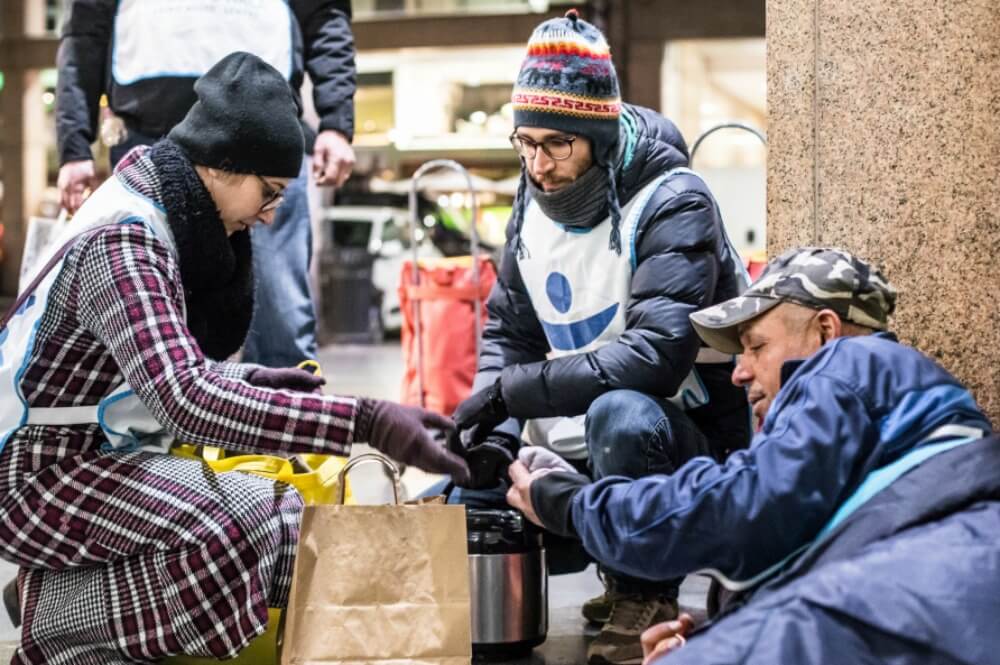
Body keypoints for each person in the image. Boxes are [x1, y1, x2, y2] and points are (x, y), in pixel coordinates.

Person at [0, 52, 468, 665]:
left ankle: (94, 630)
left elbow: (149, 366)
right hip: (34, 478)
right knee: (236, 522)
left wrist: (249, 379)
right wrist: (367, 422)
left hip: (94, 454)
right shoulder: (126, 242)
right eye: (269, 192)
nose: (271, 213)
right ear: (222, 164)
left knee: (286, 521)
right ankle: (51, 616)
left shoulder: (156, 206)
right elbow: (184, 399)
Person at [508, 247, 999, 665]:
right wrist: (711, 629)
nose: (740, 373)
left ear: (825, 331)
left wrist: (573, 503)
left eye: (756, 346)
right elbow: (809, 544)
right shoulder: (884, 411)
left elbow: (739, 507)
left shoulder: (852, 361)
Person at [443, 10, 751, 665]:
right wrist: (490, 436)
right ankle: (595, 569)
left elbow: (654, 358)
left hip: (688, 452)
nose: (538, 164)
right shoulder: (532, 201)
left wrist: (511, 394)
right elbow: (510, 333)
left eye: (556, 143)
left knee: (622, 415)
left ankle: (647, 587)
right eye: (524, 142)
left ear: (598, 138)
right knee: (461, 488)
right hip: (581, 445)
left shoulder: (673, 200)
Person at [55, 0, 358, 367]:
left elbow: (324, 13)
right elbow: (86, 29)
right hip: (153, 138)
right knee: (146, 334)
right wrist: (74, 146)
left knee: (281, 324)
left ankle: (289, 414)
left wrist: (337, 123)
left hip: (264, 142)